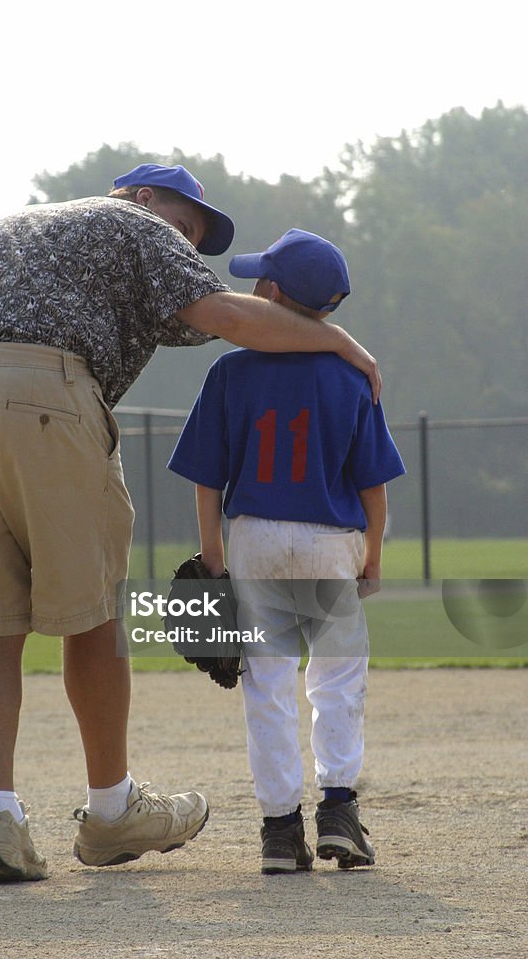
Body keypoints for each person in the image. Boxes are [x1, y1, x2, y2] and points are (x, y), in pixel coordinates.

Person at [0, 166, 383, 884]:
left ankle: (0, 817)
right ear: (145, 197)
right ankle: (110, 808)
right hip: (35, 392)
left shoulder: (23, 226)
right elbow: (235, 318)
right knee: (91, 608)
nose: (189, 247)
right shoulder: (131, 222)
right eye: (187, 227)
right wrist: (341, 341)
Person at [167, 229, 405, 874]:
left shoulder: (231, 370)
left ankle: (279, 832)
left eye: (257, 281)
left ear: (270, 294)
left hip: (254, 539)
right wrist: (373, 558)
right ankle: (339, 813)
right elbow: (372, 487)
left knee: (266, 686)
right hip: (332, 542)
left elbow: (207, 479)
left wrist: (212, 556)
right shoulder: (353, 374)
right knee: (337, 680)